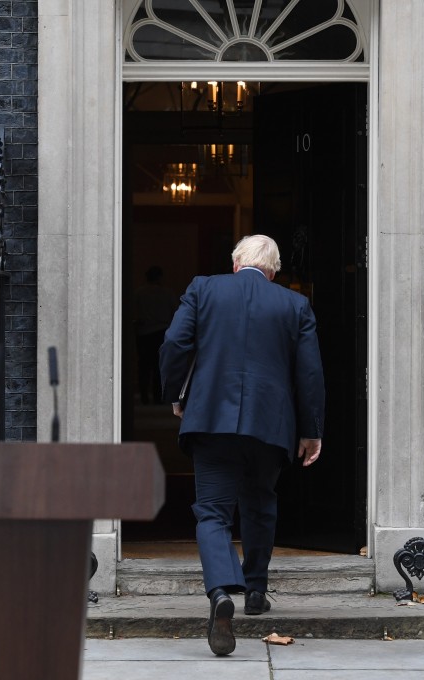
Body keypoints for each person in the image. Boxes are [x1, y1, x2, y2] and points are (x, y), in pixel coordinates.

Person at [158, 234, 324, 656]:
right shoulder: (294, 304)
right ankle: (254, 591)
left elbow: (175, 343)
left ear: (236, 263)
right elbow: (309, 373)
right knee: (259, 502)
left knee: (212, 512)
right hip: (270, 426)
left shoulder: (203, 288)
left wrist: (177, 395)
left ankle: (219, 594)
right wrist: (311, 430)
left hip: (212, 420)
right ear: (274, 271)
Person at [134, 265, 178, 404]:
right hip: (162, 331)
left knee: (144, 366)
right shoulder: (167, 293)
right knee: (159, 366)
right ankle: (158, 396)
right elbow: (175, 312)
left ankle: (144, 396)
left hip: (144, 332)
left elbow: (134, 312)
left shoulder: (139, 293)